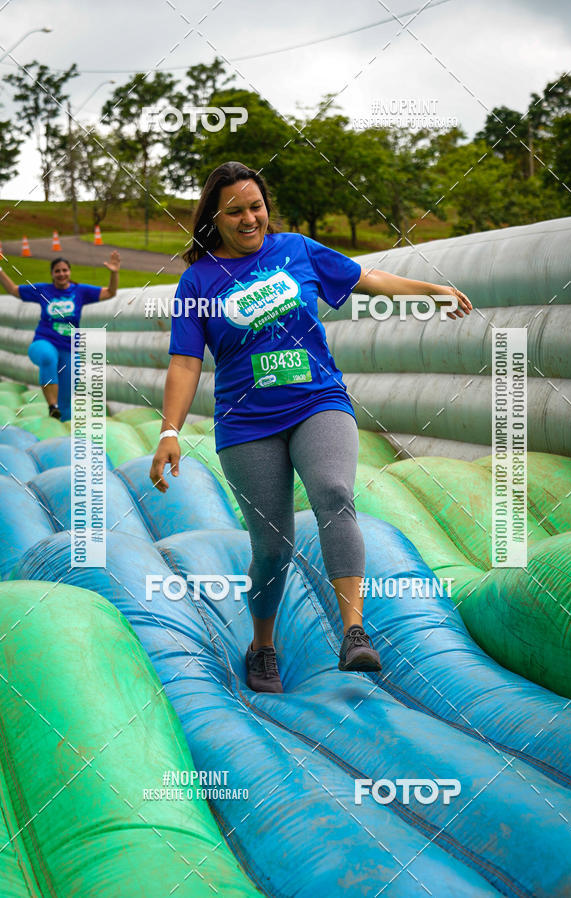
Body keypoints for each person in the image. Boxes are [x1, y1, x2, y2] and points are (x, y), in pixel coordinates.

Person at [149, 161, 472, 694]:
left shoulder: (296, 249)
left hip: (317, 400)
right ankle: (263, 645)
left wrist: (429, 290)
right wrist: (169, 432)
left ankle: (353, 632)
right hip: (246, 423)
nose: (250, 218)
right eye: (235, 211)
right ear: (214, 218)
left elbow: (368, 278)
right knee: (274, 546)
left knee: (335, 492)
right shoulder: (198, 280)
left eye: (257, 206)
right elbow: (185, 362)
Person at [0, 252, 121, 420]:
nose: (61, 274)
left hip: (69, 349)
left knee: (67, 399)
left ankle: (62, 423)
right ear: (52, 274)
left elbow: (110, 293)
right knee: (49, 357)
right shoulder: (43, 290)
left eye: (65, 270)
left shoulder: (80, 291)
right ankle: (52, 405)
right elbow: (13, 290)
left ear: (69, 272)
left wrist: (114, 272)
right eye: (57, 271)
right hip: (43, 342)